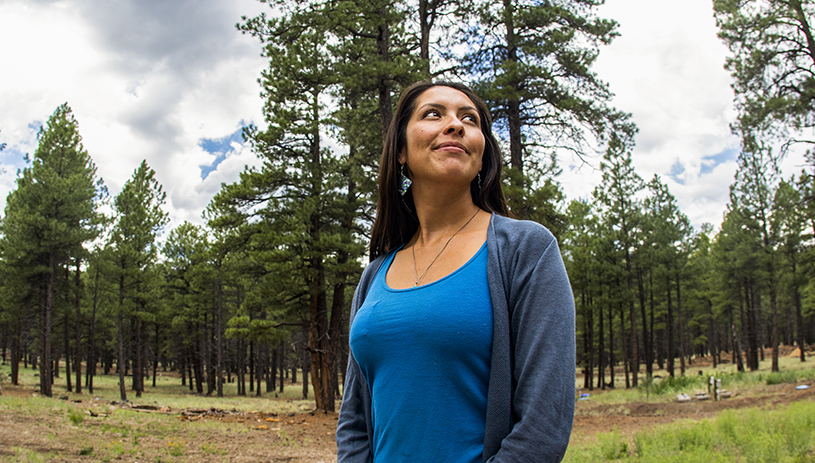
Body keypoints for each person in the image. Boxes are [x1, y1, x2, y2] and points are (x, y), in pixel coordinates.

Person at [336, 81, 575, 463]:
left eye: (470, 119)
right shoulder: (373, 277)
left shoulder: (526, 250)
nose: (455, 124)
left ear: (482, 156)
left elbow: (543, 425)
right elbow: (354, 421)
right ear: (400, 150)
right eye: (434, 114)